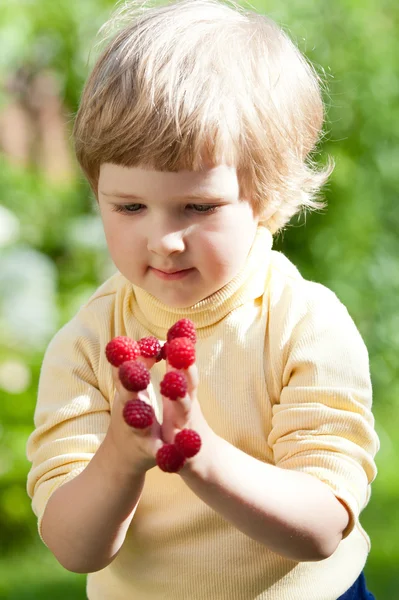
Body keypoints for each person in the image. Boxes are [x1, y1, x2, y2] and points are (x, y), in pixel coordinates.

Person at [26, 1, 379, 598]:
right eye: (129, 206)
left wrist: (200, 456)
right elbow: (72, 548)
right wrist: (120, 455)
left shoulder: (304, 324)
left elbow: (322, 527)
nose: (163, 238)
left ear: (267, 196)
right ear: (97, 191)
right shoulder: (90, 346)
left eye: (200, 207)